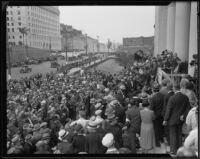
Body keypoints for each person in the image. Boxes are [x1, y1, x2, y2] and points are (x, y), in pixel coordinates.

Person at [163, 82, 190, 155]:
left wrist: (165, 119)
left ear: (174, 88)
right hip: (180, 119)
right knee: (179, 134)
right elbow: (188, 109)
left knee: (173, 135)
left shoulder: (172, 98)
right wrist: (183, 115)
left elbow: (169, 110)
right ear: (180, 88)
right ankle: (179, 149)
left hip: (172, 119)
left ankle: (174, 151)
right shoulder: (185, 97)